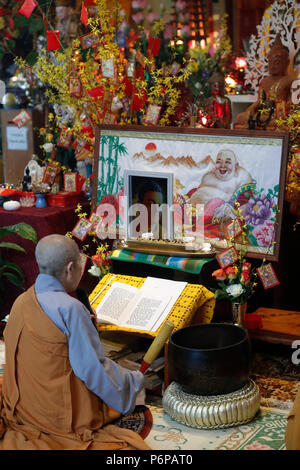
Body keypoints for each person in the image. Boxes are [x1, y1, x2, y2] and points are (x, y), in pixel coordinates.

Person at [0, 234, 150, 450]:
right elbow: (92, 370)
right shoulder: (70, 308)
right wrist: (133, 382)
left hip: (23, 405)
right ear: (70, 268)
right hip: (56, 417)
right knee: (130, 390)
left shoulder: (21, 300)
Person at [188, 149, 255, 238]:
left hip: (214, 220)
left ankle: (197, 226)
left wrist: (228, 208)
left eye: (227, 162)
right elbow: (198, 189)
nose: (222, 166)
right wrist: (186, 197)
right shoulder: (209, 176)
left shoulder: (242, 179)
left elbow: (243, 201)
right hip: (193, 212)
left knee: (215, 202)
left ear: (236, 165)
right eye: (219, 162)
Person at [235, 34, 294, 130]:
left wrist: (281, 109)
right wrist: (250, 110)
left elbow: (292, 103)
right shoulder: (265, 81)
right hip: (264, 114)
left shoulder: (291, 80)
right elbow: (260, 101)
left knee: (283, 122)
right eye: (270, 62)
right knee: (240, 117)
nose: (272, 66)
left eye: (277, 63)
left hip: (279, 114)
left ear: (286, 63)